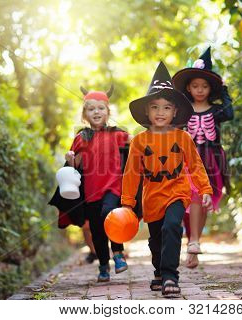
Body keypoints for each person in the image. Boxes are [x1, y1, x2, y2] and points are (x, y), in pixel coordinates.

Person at [121, 62, 213, 297]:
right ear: (147, 112)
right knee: (156, 239)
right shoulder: (140, 142)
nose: (160, 112)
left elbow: (195, 166)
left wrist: (205, 190)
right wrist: (127, 203)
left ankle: (171, 275)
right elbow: (131, 173)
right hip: (151, 197)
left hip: (177, 191)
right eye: (155, 107)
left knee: (173, 226)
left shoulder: (182, 138)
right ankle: (160, 272)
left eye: (166, 107)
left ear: (175, 112)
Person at [51, 85, 130, 282]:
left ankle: (118, 253)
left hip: (114, 186)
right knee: (96, 230)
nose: (96, 112)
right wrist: (70, 158)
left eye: (101, 108)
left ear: (108, 111)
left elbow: (135, 146)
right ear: (85, 114)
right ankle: (104, 264)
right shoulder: (81, 138)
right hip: (92, 191)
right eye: (91, 108)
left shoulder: (118, 134)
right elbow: (75, 165)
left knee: (110, 215)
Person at [172, 47, 234, 268]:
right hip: (188, 159)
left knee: (204, 200)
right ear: (189, 87)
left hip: (212, 158)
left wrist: (224, 89)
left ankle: (193, 245)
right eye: (195, 86)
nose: (200, 90)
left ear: (211, 88)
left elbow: (230, 113)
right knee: (193, 198)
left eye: (205, 86)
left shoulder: (216, 110)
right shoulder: (183, 110)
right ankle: (194, 241)